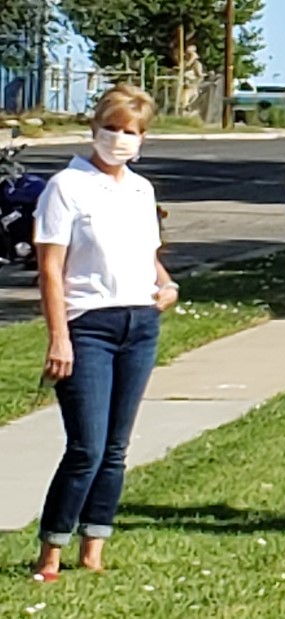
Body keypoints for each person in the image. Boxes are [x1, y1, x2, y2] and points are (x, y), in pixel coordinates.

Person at [30, 85, 179, 582]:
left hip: (139, 322)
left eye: (131, 131)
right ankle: (51, 549)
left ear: (143, 138)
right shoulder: (67, 187)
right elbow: (50, 268)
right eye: (112, 128)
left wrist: (165, 284)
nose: (120, 139)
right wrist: (59, 337)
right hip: (88, 324)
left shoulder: (140, 190)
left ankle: (94, 545)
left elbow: (147, 253)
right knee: (86, 447)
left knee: (117, 447)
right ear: (95, 128)